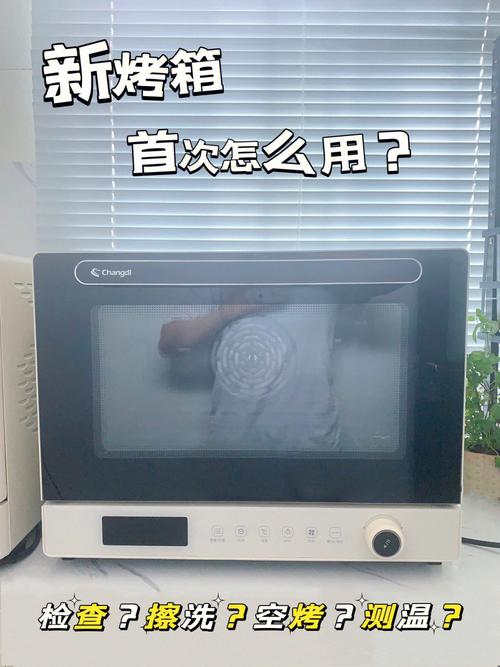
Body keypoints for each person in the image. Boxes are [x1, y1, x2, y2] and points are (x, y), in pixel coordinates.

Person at [158, 289, 342, 453]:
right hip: (237, 440)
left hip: (312, 439)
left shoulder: (324, 266)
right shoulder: (218, 272)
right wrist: (227, 311)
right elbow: (170, 341)